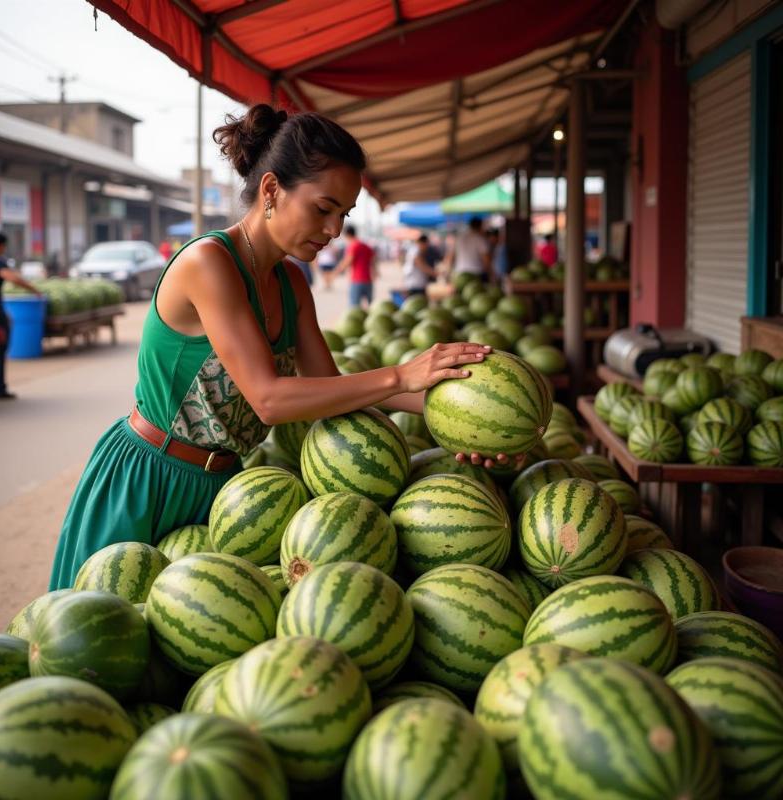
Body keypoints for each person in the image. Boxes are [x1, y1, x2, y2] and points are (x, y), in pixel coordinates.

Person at [48, 104, 509, 590]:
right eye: (323, 208)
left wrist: (462, 424)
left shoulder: (291, 281)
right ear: (271, 190)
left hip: (224, 490)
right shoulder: (209, 263)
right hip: (148, 481)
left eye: (344, 215)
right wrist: (399, 373)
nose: (334, 231)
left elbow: (329, 389)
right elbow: (268, 399)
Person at [0, 231, 43, 401]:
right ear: (1, 245)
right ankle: (0, 389)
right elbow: (11, 277)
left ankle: (0, 388)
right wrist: (33, 289)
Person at [335, 224, 375, 308]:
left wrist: (336, 271)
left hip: (357, 280)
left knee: (354, 308)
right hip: (368, 280)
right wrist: (375, 273)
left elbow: (348, 261)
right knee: (371, 307)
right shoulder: (366, 246)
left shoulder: (353, 246)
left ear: (347, 235)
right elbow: (373, 261)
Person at [447, 216, 493, 283]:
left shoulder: (460, 238)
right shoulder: (480, 239)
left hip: (460, 274)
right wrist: (490, 274)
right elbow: (486, 260)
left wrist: (449, 272)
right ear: (480, 226)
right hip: (476, 274)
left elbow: (451, 256)